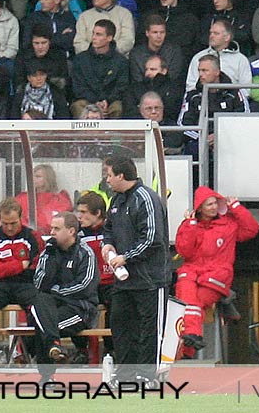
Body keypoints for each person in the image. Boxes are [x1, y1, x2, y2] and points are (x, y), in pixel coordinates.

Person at [101, 154, 168, 377]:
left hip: (149, 279)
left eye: (109, 175)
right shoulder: (116, 200)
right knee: (119, 323)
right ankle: (126, 373)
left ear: (121, 175)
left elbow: (152, 238)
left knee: (149, 329)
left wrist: (126, 257)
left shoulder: (145, 198)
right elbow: (108, 228)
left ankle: (146, 374)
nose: (107, 180)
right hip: (124, 280)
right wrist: (107, 245)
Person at [173, 186, 258, 358]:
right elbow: (184, 251)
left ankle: (190, 343)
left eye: (214, 203)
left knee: (191, 303)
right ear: (200, 208)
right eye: (208, 204)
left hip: (215, 276)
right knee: (188, 298)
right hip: (191, 273)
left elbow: (251, 229)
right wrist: (190, 226)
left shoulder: (229, 224)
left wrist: (236, 207)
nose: (213, 207)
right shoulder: (189, 225)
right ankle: (192, 339)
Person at [25, 211, 99, 378]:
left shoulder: (85, 253)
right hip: (52, 308)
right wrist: (49, 256)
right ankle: (54, 344)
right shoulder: (48, 252)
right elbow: (39, 284)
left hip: (79, 310)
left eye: (56, 229)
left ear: (71, 231)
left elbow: (84, 287)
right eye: (51, 228)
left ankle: (47, 376)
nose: (51, 233)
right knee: (40, 301)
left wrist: (56, 291)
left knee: (42, 325)